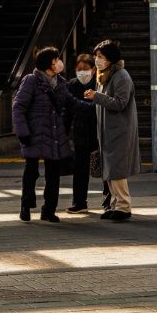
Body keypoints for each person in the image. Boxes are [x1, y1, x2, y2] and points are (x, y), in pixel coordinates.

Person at [12, 46, 74, 223]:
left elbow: (71, 102)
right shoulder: (31, 80)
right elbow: (18, 107)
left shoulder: (61, 82)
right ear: (49, 63)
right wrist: (22, 132)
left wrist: (95, 105)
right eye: (56, 60)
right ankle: (26, 205)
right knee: (31, 171)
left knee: (53, 174)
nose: (59, 62)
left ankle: (49, 209)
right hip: (33, 133)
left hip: (54, 135)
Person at [85, 39, 138, 221]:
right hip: (108, 131)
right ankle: (115, 204)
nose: (97, 60)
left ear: (110, 59)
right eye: (96, 56)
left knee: (116, 169)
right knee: (110, 169)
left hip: (119, 131)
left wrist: (97, 97)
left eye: (100, 57)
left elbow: (121, 103)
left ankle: (124, 206)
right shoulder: (104, 75)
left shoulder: (121, 76)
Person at [66, 52, 104, 214]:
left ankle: (109, 199)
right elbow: (67, 111)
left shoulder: (100, 84)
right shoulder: (72, 85)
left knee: (104, 167)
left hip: (99, 131)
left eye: (86, 68)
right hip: (80, 132)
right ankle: (79, 201)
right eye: (79, 69)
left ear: (93, 70)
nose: (82, 72)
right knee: (80, 169)